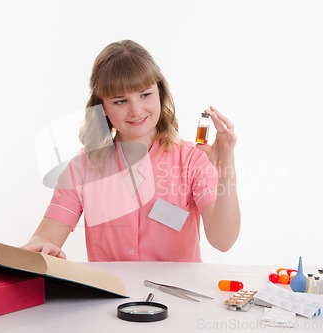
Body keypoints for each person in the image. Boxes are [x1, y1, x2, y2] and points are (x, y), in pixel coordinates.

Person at [24, 39, 240, 262]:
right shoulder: (83, 167)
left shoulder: (192, 160)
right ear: (103, 107)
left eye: (145, 95)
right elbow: (46, 235)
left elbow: (223, 241)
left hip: (175, 296)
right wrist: (41, 249)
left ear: (160, 93)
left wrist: (225, 166)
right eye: (120, 101)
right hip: (112, 296)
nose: (136, 110)